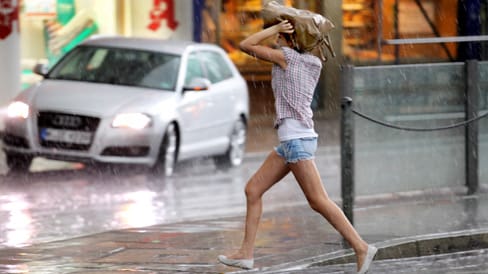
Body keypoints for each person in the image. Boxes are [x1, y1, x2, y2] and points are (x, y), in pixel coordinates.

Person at [217, 19, 377, 274]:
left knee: (318, 201)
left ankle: (361, 247)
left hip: (296, 141)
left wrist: (272, 29)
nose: (275, 40)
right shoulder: (312, 62)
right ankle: (246, 254)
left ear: (290, 39)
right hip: (292, 142)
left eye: (280, 37)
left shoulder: (287, 58)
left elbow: (246, 45)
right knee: (253, 190)